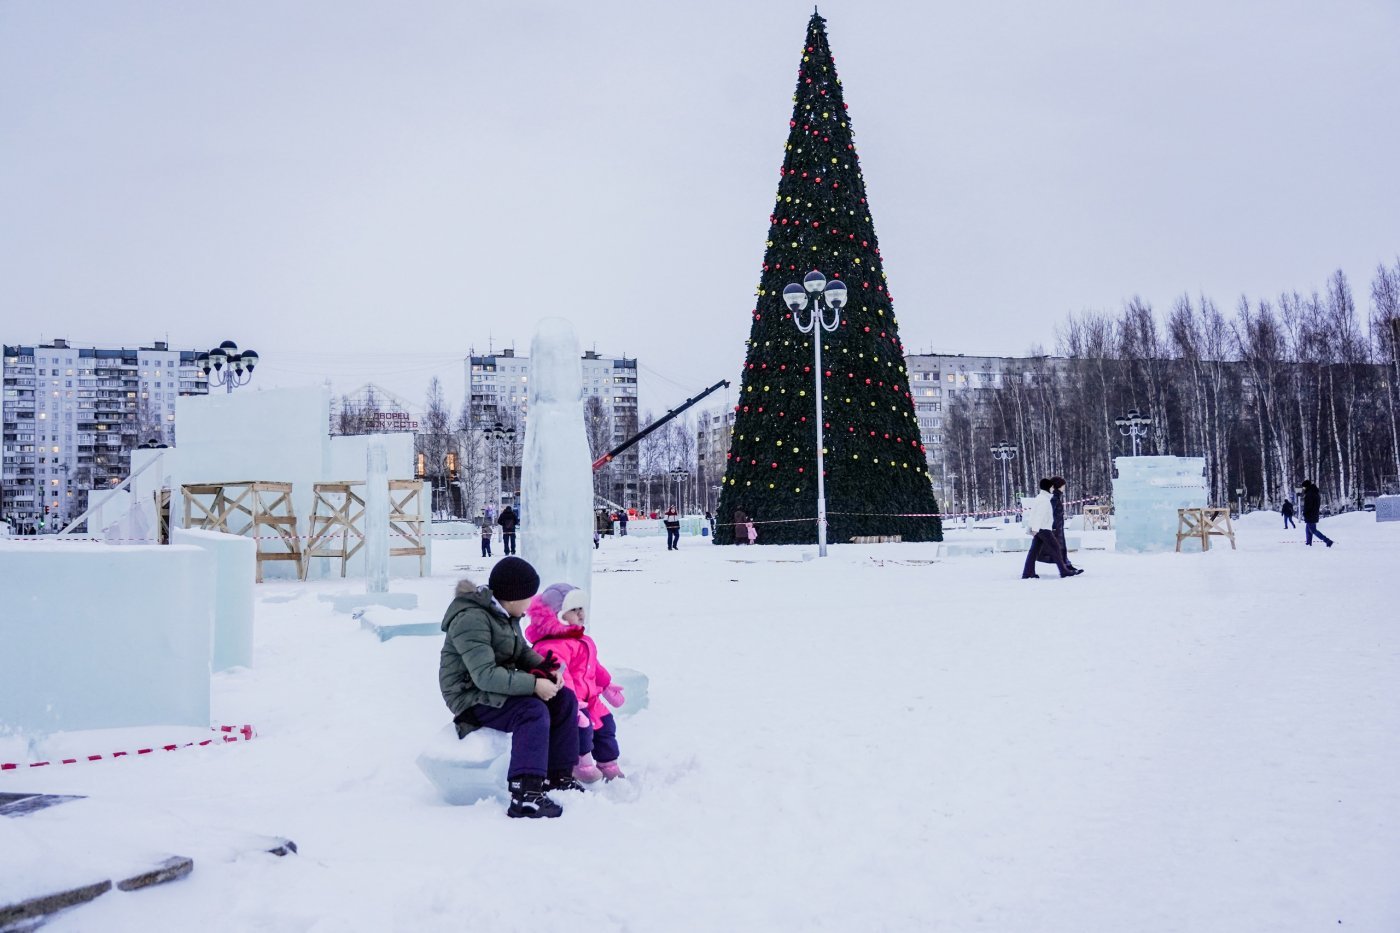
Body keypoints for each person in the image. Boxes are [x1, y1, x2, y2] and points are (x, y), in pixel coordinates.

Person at [438, 556, 583, 819]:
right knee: (531, 710)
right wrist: (533, 684)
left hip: (491, 686)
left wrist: (546, 668)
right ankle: (525, 794)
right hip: (469, 696)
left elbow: (519, 652)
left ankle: (558, 776)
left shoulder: (503, 614)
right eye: (529, 596)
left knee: (564, 700)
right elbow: (485, 676)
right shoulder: (471, 620)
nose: (531, 603)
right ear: (514, 597)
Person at [525, 583, 626, 784]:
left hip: (591, 698)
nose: (581, 614)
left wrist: (606, 685)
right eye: (574, 610)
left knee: (606, 726)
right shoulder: (551, 646)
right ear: (557, 614)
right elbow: (561, 676)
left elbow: (593, 666)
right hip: (573, 703)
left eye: (582, 609)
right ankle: (581, 764)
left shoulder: (583, 640)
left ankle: (608, 763)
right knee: (583, 730)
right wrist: (573, 703)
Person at [1023, 478, 1081, 579]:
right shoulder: (1045, 500)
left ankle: (1027, 573)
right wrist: (1035, 529)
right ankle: (1063, 571)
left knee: (1033, 552)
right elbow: (1039, 515)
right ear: (1048, 487)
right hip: (1043, 529)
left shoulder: (1040, 498)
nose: (1052, 489)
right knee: (1056, 549)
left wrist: (1031, 528)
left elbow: (1033, 514)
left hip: (1040, 528)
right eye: (1051, 487)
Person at [1299, 480, 1334, 547]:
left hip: (1310, 514)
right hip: (1314, 514)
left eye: (1303, 487)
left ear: (1306, 486)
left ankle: (1327, 541)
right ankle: (1308, 543)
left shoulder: (1309, 494)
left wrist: (1305, 513)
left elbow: (1308, 506)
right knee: (1308, 529)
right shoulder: (1315, 492)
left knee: (1313, 530)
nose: (1303, 489)